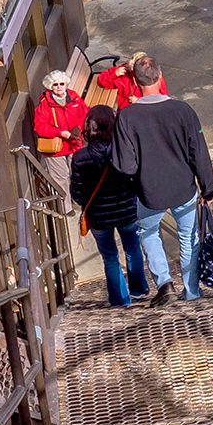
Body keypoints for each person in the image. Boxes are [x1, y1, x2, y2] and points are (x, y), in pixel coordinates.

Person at [109, 53, 213, 305]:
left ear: (135, 83)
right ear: (160, 76)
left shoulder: (126, 117)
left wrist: (137, 179)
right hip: (184, 188)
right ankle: (191, 292)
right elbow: (199, 153)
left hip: (149, 192)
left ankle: (164, 282)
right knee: (188, 239)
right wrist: (207, 189)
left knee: (148, 233)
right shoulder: (183, 111)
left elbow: (124, 165)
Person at [66, 105, 147, 306]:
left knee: (110, 257)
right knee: (133, 249)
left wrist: (85, 203)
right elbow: (136, 178)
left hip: (99, 216)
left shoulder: (80, 157)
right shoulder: (125, 150)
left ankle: (120, 300)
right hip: (127, 210)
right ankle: (138, 290)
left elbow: (76, 192)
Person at [30, 67, 86, 208]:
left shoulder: (75, 98)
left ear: (66, 84)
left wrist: (78, 128)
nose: (59, 87)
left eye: (62, 84)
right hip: (55, 148)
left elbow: (85, 114)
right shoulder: (44, 105)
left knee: (79, 174)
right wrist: (59, 132)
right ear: (50, 86)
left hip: (73, 143)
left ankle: (81, 201)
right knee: (60, 179)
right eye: (55, 84)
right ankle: (65, 208)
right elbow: (39, 127)